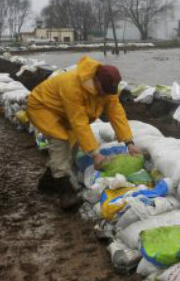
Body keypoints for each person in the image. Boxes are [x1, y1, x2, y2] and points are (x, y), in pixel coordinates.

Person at [26, 55, 141, 209]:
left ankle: (47, 183)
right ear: (96, 81)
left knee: (72, 149)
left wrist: (129, 142)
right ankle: (66, 196)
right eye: (103, 91)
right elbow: (79, 122)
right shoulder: (73, 85)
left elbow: (116, 113)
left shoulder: (108, 89)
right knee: (61, 144)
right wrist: (95, 154)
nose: (105, 95)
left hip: (64, 112)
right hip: (43, 107)